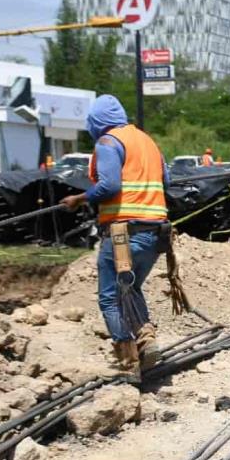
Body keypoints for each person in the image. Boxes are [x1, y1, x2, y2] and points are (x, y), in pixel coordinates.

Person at [60, 95, 170, 376]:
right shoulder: (147, 142)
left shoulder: (108, 142)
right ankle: (146, 339)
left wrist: (80, 199)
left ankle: (128, 359)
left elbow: (109, 186)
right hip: (156, 234)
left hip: (124, 233)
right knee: (129, 289)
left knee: (110, 297)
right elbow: (165, 182)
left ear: (97, 122)